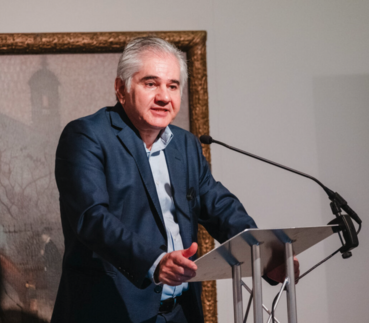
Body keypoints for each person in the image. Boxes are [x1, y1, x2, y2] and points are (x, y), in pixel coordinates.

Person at [51, 37, 299, 323]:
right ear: (121, 89)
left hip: (181, 313)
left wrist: (265, 256)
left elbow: (220, 207)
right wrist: (154, 263)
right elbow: (92, 218)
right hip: (110, 311)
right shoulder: (86, 136)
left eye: (173, 85)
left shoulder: (185, 145)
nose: (164, 97)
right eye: (151, 83)